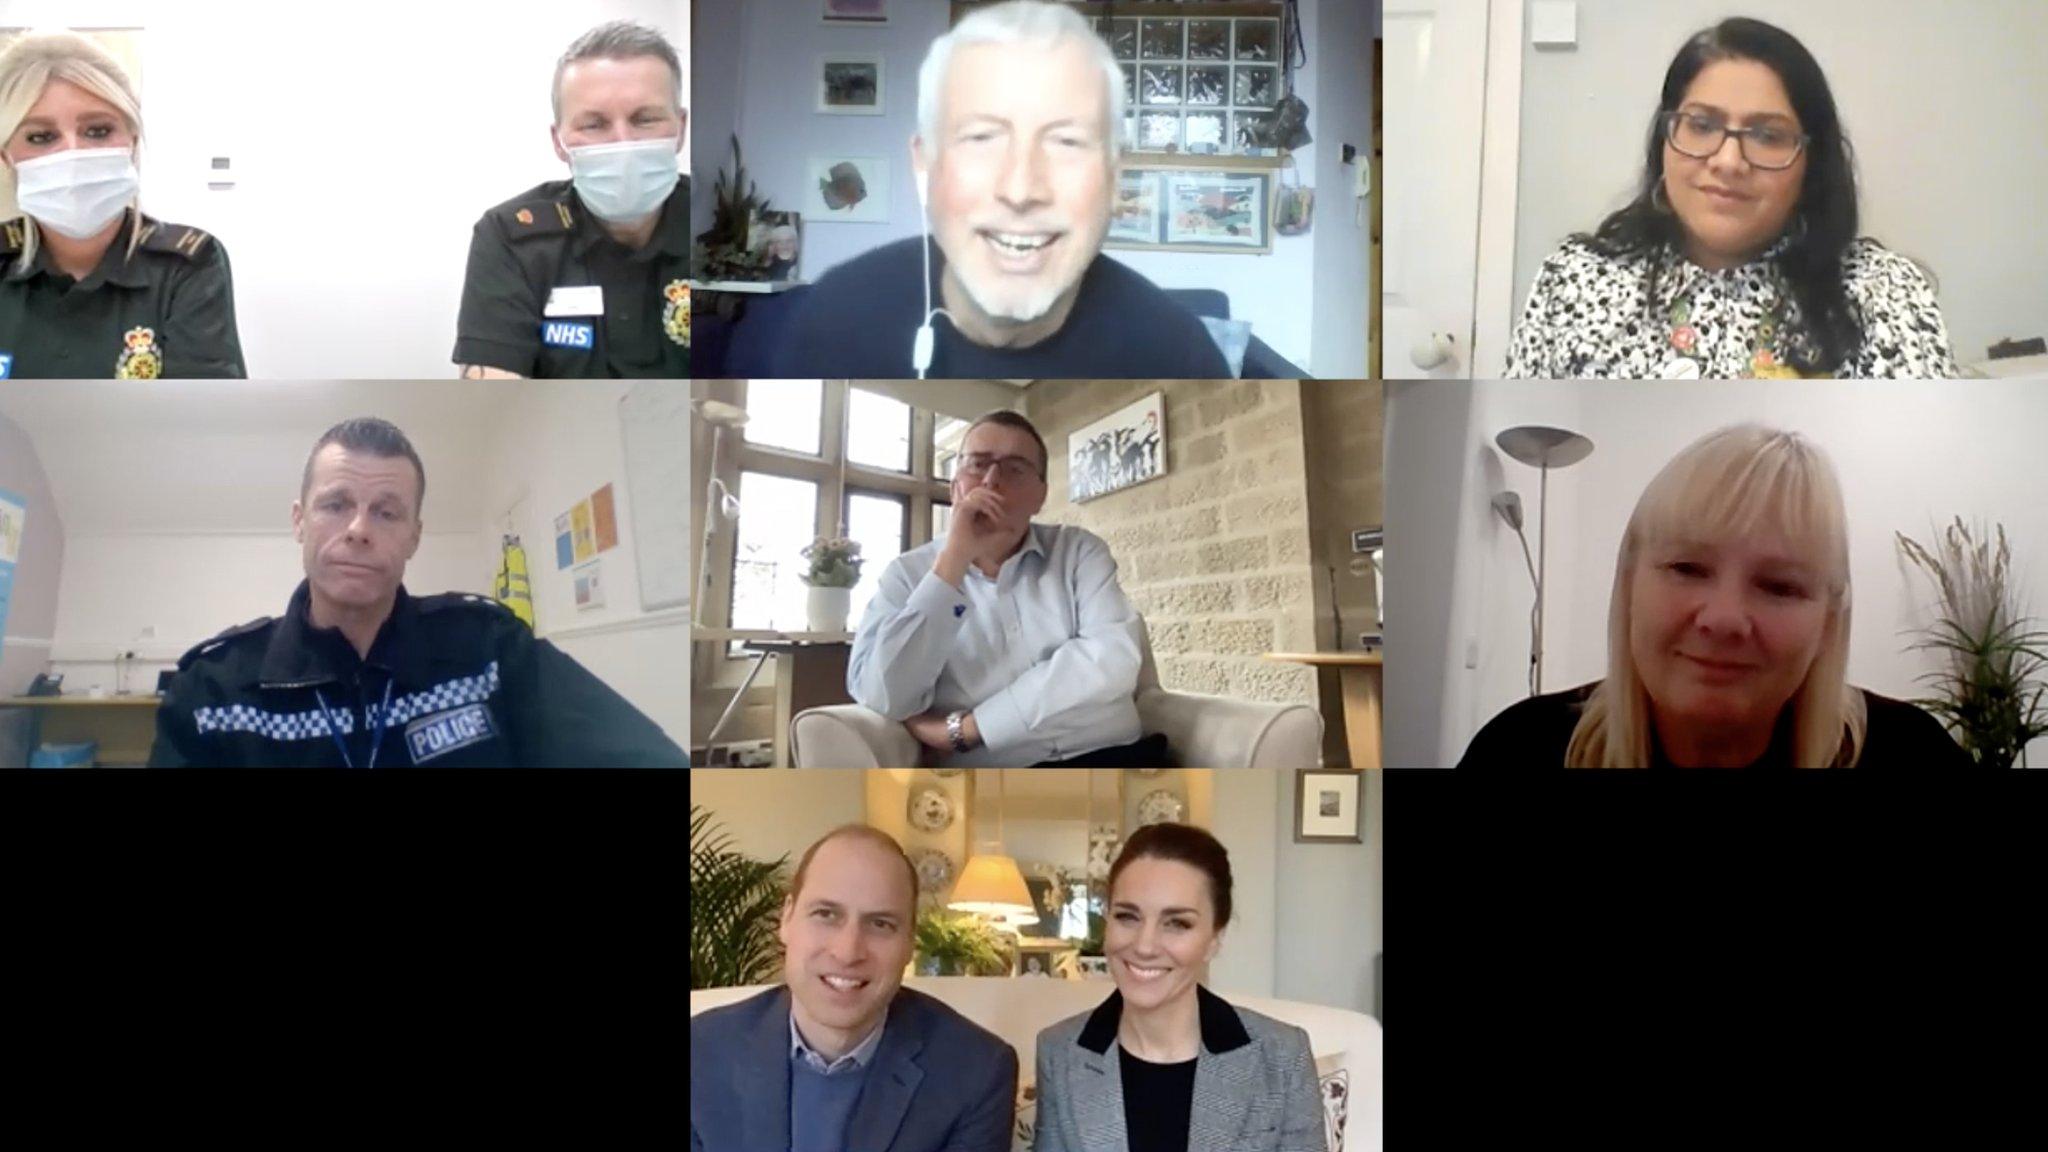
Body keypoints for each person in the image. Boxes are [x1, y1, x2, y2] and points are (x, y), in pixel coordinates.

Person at [148, 418, 686, 767]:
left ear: (414, 536)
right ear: (299, 521)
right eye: (336, 504)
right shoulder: (213, 691)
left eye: (386, 512)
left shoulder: (491, 653)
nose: (359, 528)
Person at [766, 0, 1230, 380]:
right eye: (982, 139)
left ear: (1114, 179)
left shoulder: (1181, 357)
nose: (1021, 188)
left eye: (1066, 142)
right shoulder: (831, 318)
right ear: (924, 168)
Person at [1459, 424, 1970, 768]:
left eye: (1780, 586)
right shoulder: (1518, 750)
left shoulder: (1913, 753)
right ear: (1629, 584)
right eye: (1687, 568)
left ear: (1829, 623)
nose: (1724, 619)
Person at [1504, 18, 1957, 380]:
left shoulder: (1883, 294)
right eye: (1702, 125)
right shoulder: (1573, 281)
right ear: (1666, 138)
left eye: (1767, 135)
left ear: (1810, 161)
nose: (1728, 161)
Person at [846, 410, 1169, 767]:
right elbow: (886, 697)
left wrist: (970, 728)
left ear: (1040, 496)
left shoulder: (1079, 551)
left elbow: (1110, 660)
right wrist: (953, 562)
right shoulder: (905, 575)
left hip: (1116, 756)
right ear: (956, 488)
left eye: (1015, 469)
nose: (991, 480)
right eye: (977, 465)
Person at [690, 825, 1018, 1152]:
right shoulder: (700, 1051)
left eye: (880, 924)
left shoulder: (978, 1070)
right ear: (786, 919)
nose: (847, 952)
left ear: (909, 943)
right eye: (826, 914)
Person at [1033, 823, 1326, 1152]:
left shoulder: (1283, 1055)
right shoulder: (1059, 1051)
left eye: (1177, 923)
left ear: (1215, 938)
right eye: (1128, 917)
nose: (1145, 946)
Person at [0, 32, 244, 379]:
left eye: (98, 131)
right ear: (6, 157)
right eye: (41, 137)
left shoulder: (187, 265)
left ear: (130, 140)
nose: (73, 153)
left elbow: (203, 417)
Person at [453, 20, 688, 379]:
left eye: (645, 119)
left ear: (681, 129)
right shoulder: (509, 236)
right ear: (558, 141)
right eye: (594, 125)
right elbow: (493, 394)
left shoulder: (717, 230)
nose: (622, 142)